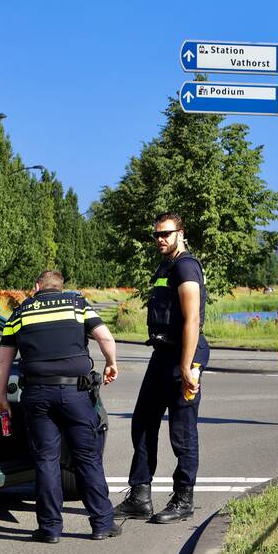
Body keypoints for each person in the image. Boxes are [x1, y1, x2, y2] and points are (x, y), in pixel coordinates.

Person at [0, 270, 121, 543]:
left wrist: (1, 396)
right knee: (87, 458)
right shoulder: (77, 305)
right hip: (76, 393)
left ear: (36, 286)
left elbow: (4, 360)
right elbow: (105, 338)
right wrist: (111, 362)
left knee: (46, 461)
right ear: (60, 288)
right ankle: (102, 524)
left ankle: (50, 529)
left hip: (37, 394)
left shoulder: (19, 314)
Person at [114, 212, 209, 524]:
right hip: (162, 353)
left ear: (180, 233)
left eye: (166, 234)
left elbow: (192, 319)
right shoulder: (166, 266)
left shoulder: (186, 266)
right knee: (142, 422)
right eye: (156, 234)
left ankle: (184, 498)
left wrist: (186, 366)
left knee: (182, 432)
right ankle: (140, 496)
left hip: (183, 354)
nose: (160, 239)